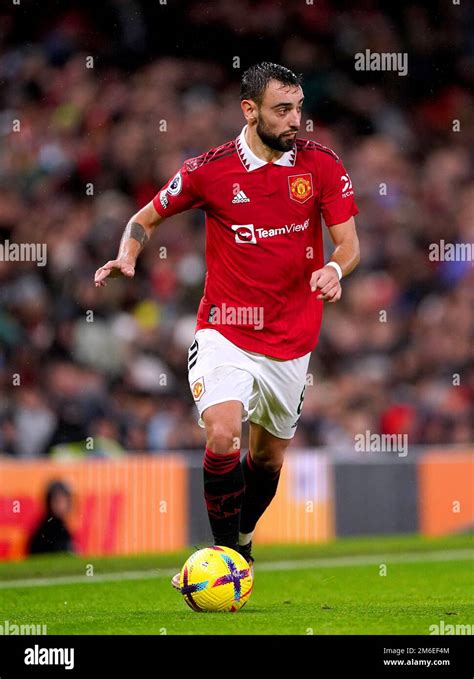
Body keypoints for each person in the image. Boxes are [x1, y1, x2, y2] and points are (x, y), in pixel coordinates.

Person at [94, 62, 360, 590]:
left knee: (267, 459)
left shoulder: (321, 165)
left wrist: (333, 267)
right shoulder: (207, 170)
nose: (295, 121)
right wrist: (127, 255)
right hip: (226, 329)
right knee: (222, 433)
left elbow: (349, 244)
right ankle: (225, 559)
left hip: (293, 339)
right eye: (282, 110)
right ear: (250, 110)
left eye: (299, 108)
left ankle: (239, 541)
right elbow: (143, 218)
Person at [28, 480, 75, 555]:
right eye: (57, 501)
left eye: (64, 500)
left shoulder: (62, 527)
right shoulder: (45, 531)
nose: (61, 505)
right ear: (49, 503)